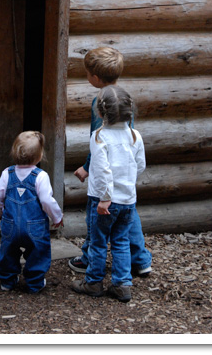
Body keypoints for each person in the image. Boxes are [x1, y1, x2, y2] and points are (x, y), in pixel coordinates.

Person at [69, 46, 152, 277]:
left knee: (96, 216)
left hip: (106, 171)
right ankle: (141, 260)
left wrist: (86, 167)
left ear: (95, 78)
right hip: (125, 171)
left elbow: (98, 142)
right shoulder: (124, 99)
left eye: (87, 73)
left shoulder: (100, 103)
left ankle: (88, 258)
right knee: (128, 214)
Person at [71, 85, 146, 302]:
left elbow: (103, 171)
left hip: (104, 201)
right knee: (121, 241)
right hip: (128, 201)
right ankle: (122, 285)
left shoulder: (99, 137)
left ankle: (93, 282)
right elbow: (139, 165)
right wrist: (126, 184)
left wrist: (105, 198)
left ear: (101, 112)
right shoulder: (135, 136)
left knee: (98, 241)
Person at [0, 131, 63, 294]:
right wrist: (57, 217)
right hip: (35, 227)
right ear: (39, 156)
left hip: (10, 225)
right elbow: (46, 200)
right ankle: (35, 282)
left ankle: (7, 281)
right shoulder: (41, 176)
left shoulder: (7, 174)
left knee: (8, 251)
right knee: (38, 252)